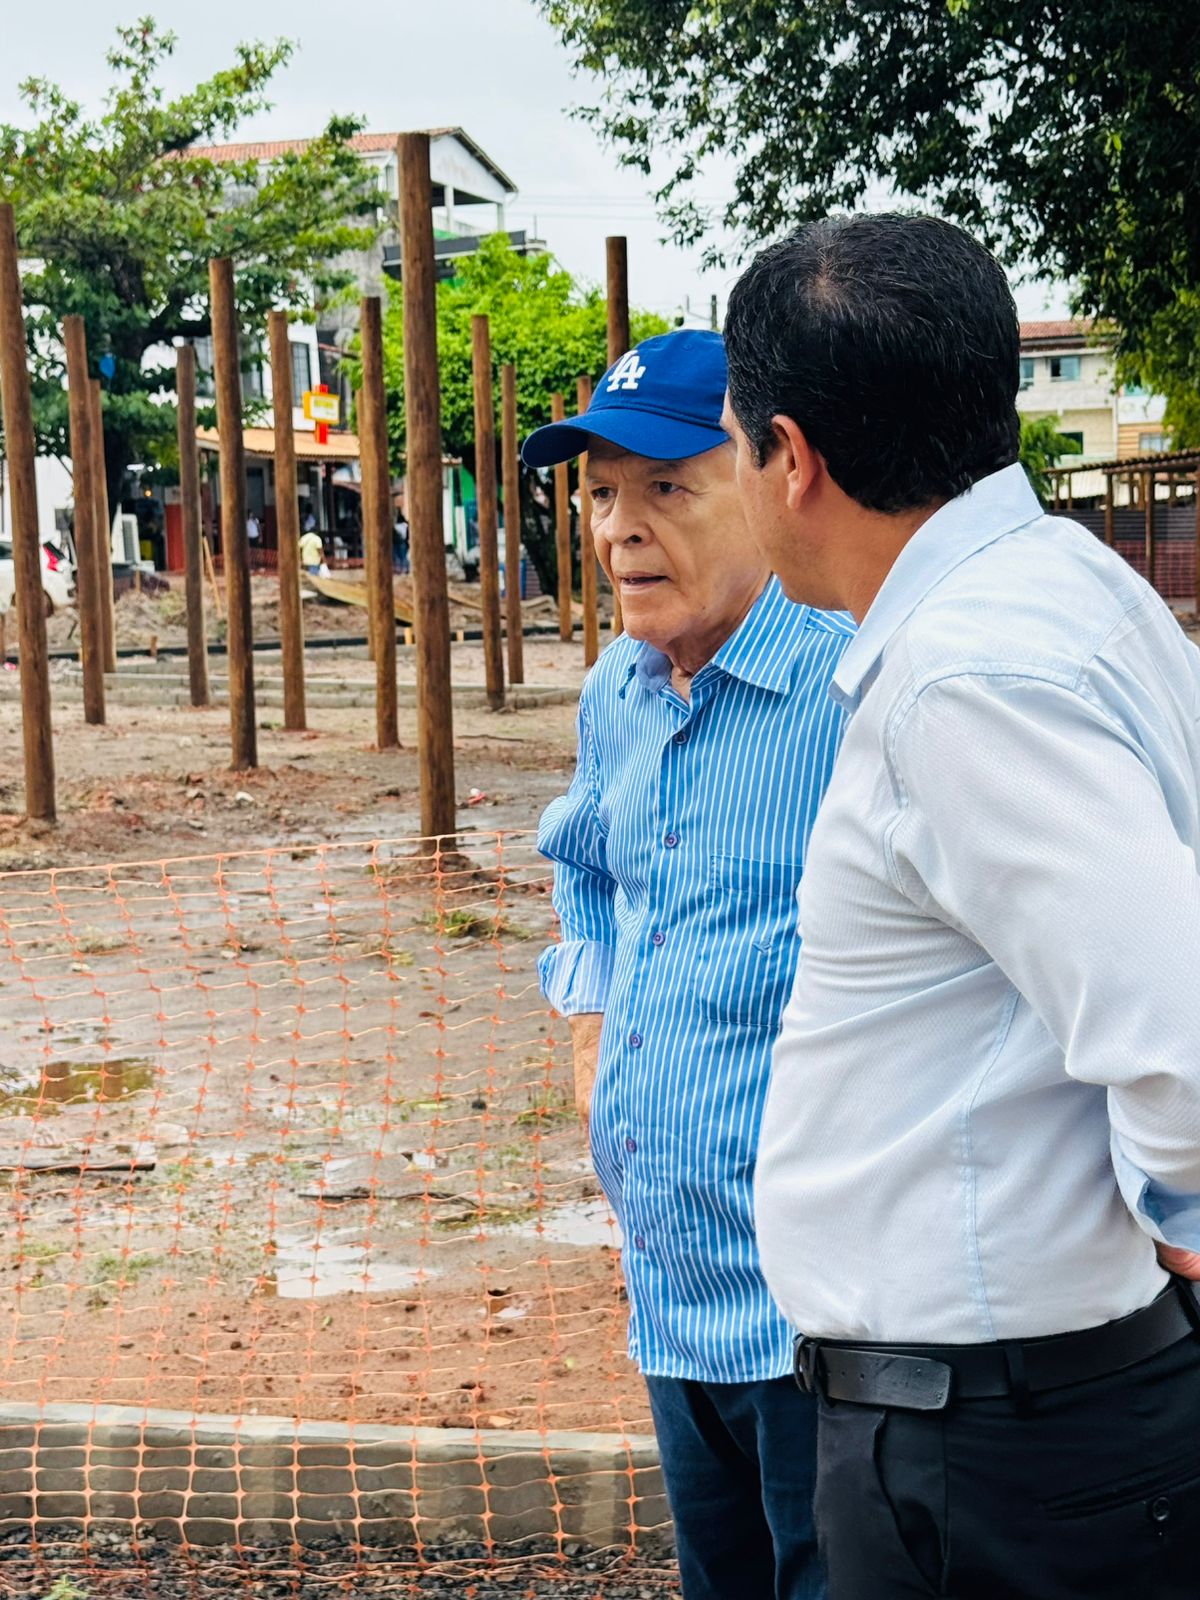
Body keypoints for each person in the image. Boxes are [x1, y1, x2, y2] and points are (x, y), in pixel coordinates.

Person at [722, 213, 1200, 1599]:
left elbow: (1175, 1026)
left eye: (739, 447)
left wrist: (1180, 1214)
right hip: (1021, 1413)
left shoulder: (961, 680)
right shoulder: (1067, 591)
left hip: (996, 1443)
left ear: (793, 457)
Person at [524, 329, 854, 1600]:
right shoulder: (617, 692)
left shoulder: (850, 687)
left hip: (820, 1319)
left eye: (668, 485)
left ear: (769, 483)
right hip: (671, 1292)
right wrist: (591, 1033)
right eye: (604, 492)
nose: (622, 528)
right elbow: (586, 865)